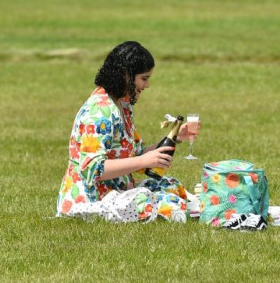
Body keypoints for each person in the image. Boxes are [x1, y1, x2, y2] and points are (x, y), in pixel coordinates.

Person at [56, 41, 199, 222]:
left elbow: (136, 154)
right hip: (91, 199)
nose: (147, 85)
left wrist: (175, 137)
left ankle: (191, 208)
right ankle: (193, 211)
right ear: (126, 76)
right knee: (164, 203)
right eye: (144, 78)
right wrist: (143, 160)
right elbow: (92, 170)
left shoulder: (123, 105)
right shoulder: (100, 112)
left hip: (118, 191)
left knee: (170, 185)